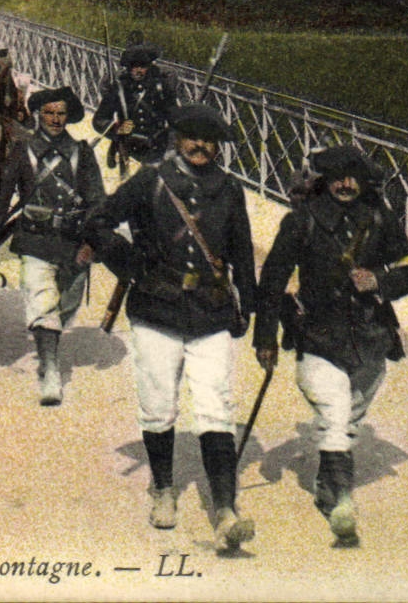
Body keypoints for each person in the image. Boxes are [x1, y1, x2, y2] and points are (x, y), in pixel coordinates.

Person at [82, 103, 257, 549]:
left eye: (210, 139)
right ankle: (162, 488)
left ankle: (225, 508)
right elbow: (98, 221)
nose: (201, 146)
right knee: (158, 403)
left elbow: (241, 252)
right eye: (192, 137)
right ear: (177, 138)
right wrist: (127, 263)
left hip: (212, 310)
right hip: (156, 308)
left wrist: (249, 308)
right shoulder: (151, 180)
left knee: (216, 405)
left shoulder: (230, 189)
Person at [252, 144, 408, 547]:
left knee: (349, 418)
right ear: (324, 180)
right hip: (318, 334)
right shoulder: (302, 221)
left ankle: (327, 485)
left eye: (354, 178)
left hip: (370, 337)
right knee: (335, 410)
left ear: (364, 182)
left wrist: (381, 282)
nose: (346, 185)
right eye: (338, 177)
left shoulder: (379, 218)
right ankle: (342, 503)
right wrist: (266, 338)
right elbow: (273, 279)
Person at [0, 85, 105, 405]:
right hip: (35, 239)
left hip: (72, 242)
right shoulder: (22, 152)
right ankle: (50, 369)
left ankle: (50, 341)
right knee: (42, 302)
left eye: (60, 113)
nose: (54, 118)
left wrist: (91, 242)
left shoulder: (82, 153)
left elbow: (98, 203)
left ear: (68, 117)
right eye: (48, 112)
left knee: (66, 305)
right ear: (38, 115)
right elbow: (2, 200)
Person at [91, 42, 180, 176]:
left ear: (149, 66)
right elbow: (99, 120)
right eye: (134, 66)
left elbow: (175, 118)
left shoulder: (160, 87)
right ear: (128, 68)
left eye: (143, 66)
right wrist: (117, 129)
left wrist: (171, 146)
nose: (138, 70)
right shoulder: (119, 88)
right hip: (128, 149)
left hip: (156, 148)